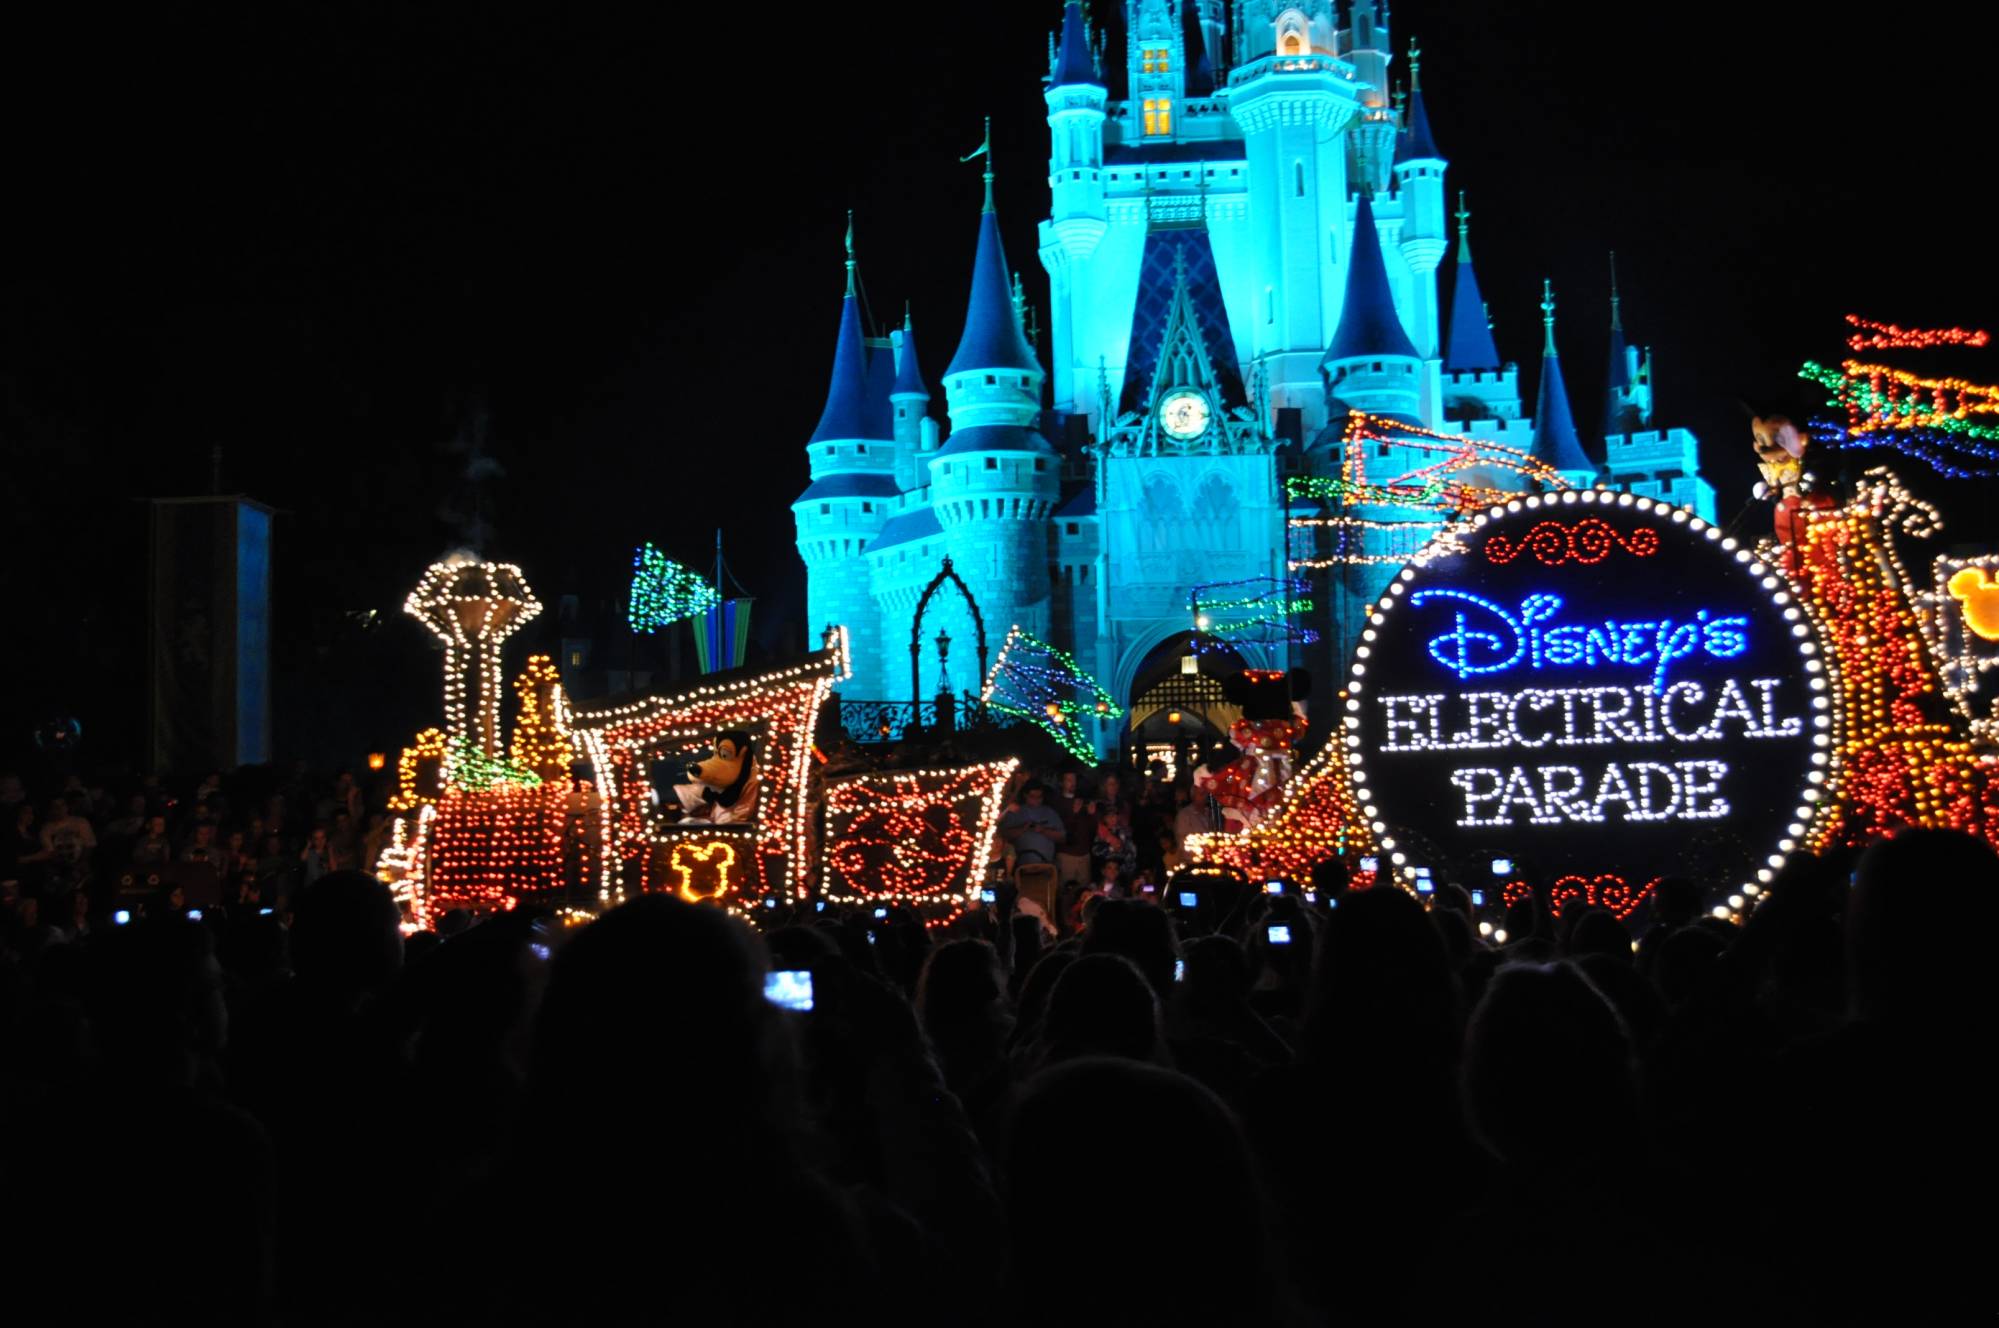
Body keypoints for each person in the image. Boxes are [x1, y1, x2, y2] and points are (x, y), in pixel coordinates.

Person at [999, 781, 1065, 867]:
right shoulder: (1015, 811)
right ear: (1025, 795)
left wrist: (1043, 830)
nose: (1036, 799)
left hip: (1046, 865)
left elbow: (1062, 837)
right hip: (1020, 867)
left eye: (1040, 797)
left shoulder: (1050, 813)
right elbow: (1003, 835)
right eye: (1033, 796)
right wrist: (1023, 829)